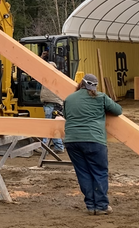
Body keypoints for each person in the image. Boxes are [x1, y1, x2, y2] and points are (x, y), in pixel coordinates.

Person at [63, 74, 122, 216]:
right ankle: (101, 206)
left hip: (72, 140)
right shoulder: (100, 97)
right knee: (99, 172)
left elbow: (66, 115)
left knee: (83, 173)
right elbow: (118, 110)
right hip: (94, 140)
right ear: (94, 86)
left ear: (80, 84)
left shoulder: (69, 98)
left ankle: (90, 205)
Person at [39, 61, 65, 153]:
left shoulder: (49, 77)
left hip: (51, 104)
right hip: (54, 104)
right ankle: (58, 146)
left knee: (49, 126)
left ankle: (44, 146)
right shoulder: (57, 76)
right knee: (54, 126)